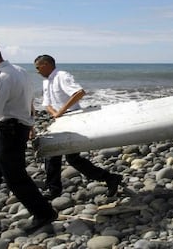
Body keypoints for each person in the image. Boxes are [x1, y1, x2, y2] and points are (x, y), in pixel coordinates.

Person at [0, 40, 57, 233]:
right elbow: (29, 100)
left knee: (15, 177)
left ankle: (43, 212)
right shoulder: (19, 71)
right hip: (13, 128)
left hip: (9, 131)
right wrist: (30, 124)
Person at [34, 55, 122, 199]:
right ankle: (109, 178)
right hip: (60, 120)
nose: (37, 71)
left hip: (72, 117)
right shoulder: (46, 82)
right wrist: (55, 113)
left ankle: (54, 190)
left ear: (46, 64)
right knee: (60, 156)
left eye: (38, 67)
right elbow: (46, 104)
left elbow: (79, 93)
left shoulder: (61, 76)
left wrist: (61, 111)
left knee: (65, 156)